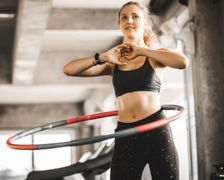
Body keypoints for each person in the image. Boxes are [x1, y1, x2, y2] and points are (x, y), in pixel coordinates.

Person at [63, 1, 189, 180]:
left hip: (156, 132)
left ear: (145, 22)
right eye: (124, 17)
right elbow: (69, 69)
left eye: (135, 16)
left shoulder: (155, 57)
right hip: (125, 135)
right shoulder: (113, 64)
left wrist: (143, 51)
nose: (129, 20)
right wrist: (103, 57)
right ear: (120, 24)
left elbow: (183, 62)